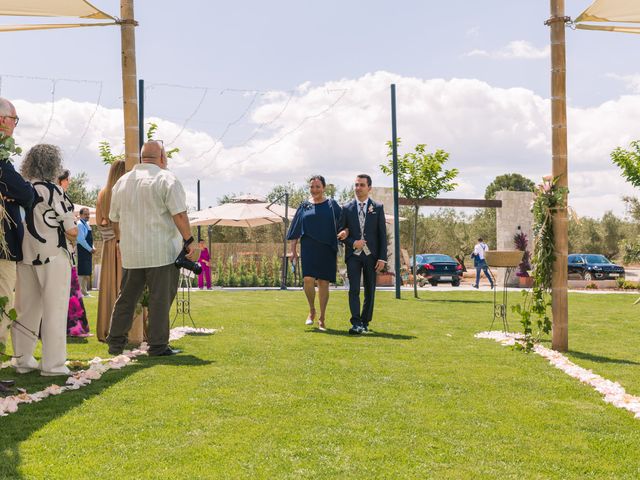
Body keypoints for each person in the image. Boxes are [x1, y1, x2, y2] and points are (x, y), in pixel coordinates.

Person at [106, 140, 197, 357]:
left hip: (132, 252)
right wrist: (189, 240)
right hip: (161, 251)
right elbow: (179, 214)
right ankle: (157, 346)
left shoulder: (122, 182)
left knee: (126, 298)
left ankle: (115, 342)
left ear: (141, 158)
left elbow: (114, 219)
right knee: (160, 300)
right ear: (163, 158)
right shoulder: (167, 179)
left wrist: (120, 242)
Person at [12, 144, 77, 376]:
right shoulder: (54, 190)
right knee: (54, 309)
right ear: (53, 165)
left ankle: (22, 359)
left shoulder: (21, 188)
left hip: (25, 254)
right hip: (52, 254)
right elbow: (71, 229)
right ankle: (53, 364)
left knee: (25, 309)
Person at [0, 97, 35, 391]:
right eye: (14, 119)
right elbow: (24, 192)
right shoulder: (0, 158)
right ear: (3, 120)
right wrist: (13, 192)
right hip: (2, 249)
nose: (14, 124)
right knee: (2, 307)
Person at [287, 175, 342, 331]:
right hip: (308, 247)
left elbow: (343, 222)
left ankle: (322, 318)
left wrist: (345, 231)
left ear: (323, 188)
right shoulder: (304, 206)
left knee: (324, 283)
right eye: (312, 187)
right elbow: (295, 229)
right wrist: (293, 251)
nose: (314, 190)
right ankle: (311, 310)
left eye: (317, 186)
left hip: (327, 248)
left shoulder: (332, 205)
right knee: (308, 280)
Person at [337, 174, 387, 335]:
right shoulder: (346, 208)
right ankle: (356, 322)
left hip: (372, 256)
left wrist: (382, 257)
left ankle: (365, 321)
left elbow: (382, 235)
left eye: (362, 185)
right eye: (356, 185)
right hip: (353, 256)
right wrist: (352, 242)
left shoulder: (377, 208)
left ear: (369, 188)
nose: (358, 188)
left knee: (370, 289)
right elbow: (340, 233)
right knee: (354, 289)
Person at [57, 170, 89, 337]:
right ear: (60, 181)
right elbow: (71, 230)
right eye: (67, 180)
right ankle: (73, 327)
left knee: (71, 290)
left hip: (67, 249)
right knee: (70, 290)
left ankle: (73, 327)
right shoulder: (60, 199)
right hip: (64, 249)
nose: (69, 182)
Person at [76, 207, 95, 296]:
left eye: (88, 214)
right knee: (81, 273)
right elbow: (81, 240)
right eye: (85, 214)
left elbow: (90, 239)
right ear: (81, 215)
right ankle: (79, 293)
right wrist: (90, 249)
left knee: (86, 272)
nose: (87, 216)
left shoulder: (87, 224)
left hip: (87, 251)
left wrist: (93, 247)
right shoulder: (79, 224)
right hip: (82, 250)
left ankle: (84, 292)